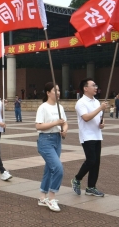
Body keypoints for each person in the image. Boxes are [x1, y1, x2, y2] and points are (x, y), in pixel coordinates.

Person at [71, 79, 107, 197]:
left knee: (96, 162)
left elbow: (100, 117)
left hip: (97, 135)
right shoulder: (81, 103)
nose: (96, 87)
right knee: (91, 160)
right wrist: (100, 109)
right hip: (87, 136)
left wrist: (102, 123)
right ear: (85, 88)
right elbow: (86, 117)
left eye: (96, 85)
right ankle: (77, 179)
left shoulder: (96, 102)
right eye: (93, 85)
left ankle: (91, 187)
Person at [35, 82, 68, 212]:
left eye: (59, 90)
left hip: (57, 139)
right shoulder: (43, 107)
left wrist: (64, 130)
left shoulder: (60, 107)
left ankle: (42, 197)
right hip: (45, 141)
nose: (58, 92)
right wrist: (55, 123)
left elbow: (65, 123)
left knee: (49, 169)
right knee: (58, 168)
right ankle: (51, 198)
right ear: (48, 93)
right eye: (55, 90)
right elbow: (38, 126)